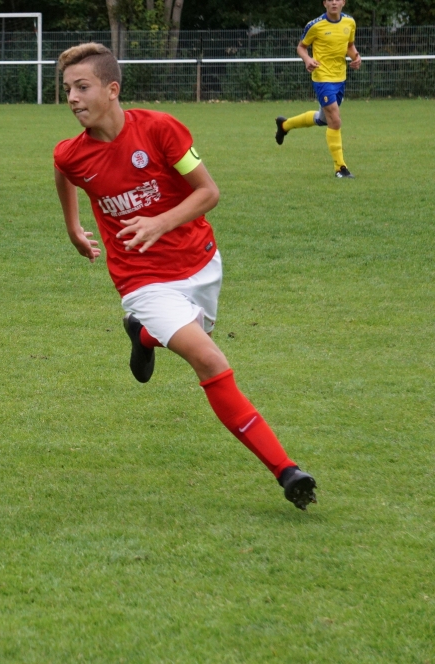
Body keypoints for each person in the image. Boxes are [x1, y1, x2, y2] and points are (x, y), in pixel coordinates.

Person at [53, 42, 317, 510]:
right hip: (140, 279)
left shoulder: (160, 129)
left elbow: (208, 192)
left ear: (112, 89)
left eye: (82, 87)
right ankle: (287, 471)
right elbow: (63, 171)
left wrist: (159, 222)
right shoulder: (72, 153)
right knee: (210, 360)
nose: (72, 98)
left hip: (200, 263)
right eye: (67, 88)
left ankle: (142, 336)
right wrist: (74, 228)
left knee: (196, 337)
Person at [275, 0, 360, 178]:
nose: (334, 2)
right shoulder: (315, 25)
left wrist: (356, 57)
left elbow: (349, 46)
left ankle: (285, 125)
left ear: (343, 2)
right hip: (322, 78)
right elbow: (301, 47)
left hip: (340, 78)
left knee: (323, 119)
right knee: (335, 120)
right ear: (325, 3)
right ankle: (340, 168)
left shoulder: (350, 22)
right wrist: (307, 60)